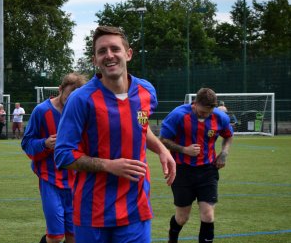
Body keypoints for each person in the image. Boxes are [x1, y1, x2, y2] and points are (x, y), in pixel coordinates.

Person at [54, 26, 176, 243]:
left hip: (135, 209)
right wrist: (109, 166)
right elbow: (63, 154)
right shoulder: (81, 99)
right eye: (102, 51)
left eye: (114, 49)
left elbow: (139, 126)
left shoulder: (146, 92)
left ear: (128, 53)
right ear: (95, 60)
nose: (109, 55)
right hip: (92, 212)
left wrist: (161, 148)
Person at [159, 88, 233, 243]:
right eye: (202, 112)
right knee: (182, 217)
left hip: (208, 171)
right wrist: (184, 149)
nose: (205, 116)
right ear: (195, 104)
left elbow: (228, 136)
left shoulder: (219, 117)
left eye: (208, 113)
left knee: (208, 215)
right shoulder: (178, 115)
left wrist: (224, 154)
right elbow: (163, 140)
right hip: (182, 171)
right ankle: (172, 238)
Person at [21, 73, 86, 243]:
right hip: (50, 179)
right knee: (56, 236)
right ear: (60, 89)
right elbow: (26, 143)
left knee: (74, 236)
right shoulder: (41, 111)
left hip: (75, 181)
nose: (72, 101)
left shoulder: (81, 113)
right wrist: (45, 143)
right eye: (69, 95)